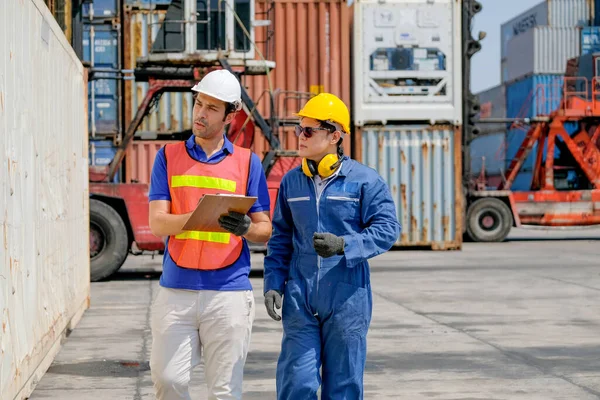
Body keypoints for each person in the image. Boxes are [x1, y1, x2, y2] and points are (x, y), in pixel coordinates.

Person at [263, 93, 401, 399]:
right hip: (300, 297)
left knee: (344, 388)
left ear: (334, 136)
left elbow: (389, 229)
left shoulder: (365, 181)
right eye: (299, 129)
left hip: (347, 298)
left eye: (308, 130)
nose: (299, 136)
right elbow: (281, 237)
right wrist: (273, 282)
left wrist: (345, 245)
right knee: (296, 383)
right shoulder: (291, 182)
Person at [148, 69, 272, 400]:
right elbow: (158, 223)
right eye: (199, 104)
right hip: (177, 290)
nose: (201, 113)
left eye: (212, 108)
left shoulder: (248, 163)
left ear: (231, 115)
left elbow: (265, 229)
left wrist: (246, 228)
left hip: (228, 293)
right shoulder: (168, 157)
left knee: (225, 392)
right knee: (167, 380)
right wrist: (197, 218)